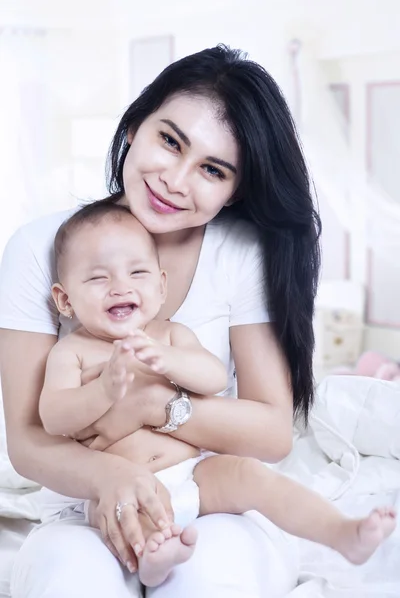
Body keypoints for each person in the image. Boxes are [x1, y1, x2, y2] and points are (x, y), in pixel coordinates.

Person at [0, 44, 323, 597]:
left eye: (212, 170)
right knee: (69, 582)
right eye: (169, 141)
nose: (175, 179)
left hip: (213, 498)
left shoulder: (241, 253)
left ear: (233, 191)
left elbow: (271, 432)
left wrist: (156, 406)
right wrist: (111, 476)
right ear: (132, 128)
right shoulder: (40, 248)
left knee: (210, 582)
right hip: (83, 503)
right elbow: (27, 442)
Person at [38, 201, 396, 588]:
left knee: (250, 475)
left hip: (194, 472)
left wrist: (168, 360)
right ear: (65, 300)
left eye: (136, 272)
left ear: (160, 286)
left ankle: (340, 532)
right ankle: (153, 563)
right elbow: (55, 418)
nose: (121, 286)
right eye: (98, 279)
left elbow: (211, 378)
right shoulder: (72, 352)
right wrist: (104, 389)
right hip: (120, 485)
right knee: (122, 512)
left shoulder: (170, 335)